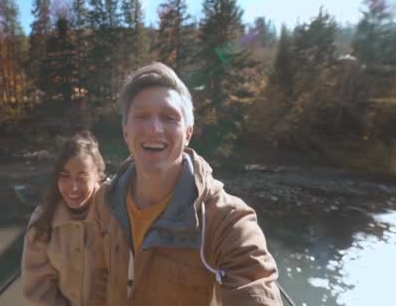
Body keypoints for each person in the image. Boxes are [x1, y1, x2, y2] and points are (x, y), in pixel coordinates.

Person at [92, 62, 283, 305]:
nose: (154, 128)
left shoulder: (226, 221)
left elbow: (254, 285)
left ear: (188, 133)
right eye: (141, 116)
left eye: (169, 117)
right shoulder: (105, 202)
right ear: (125, 131)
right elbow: (98, 280)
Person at [22, 131, 108, 306]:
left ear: (98, 176)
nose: (73, 188)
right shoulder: (42, 222)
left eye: (82, 177)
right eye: (65, 176)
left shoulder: (116, 214)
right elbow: (38, 291)